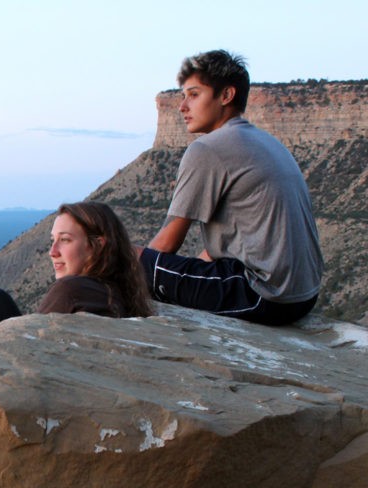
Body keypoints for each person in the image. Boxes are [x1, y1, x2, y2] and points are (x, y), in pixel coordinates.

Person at [139, 49, 324, 326]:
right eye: (182, 96)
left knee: (129, 256)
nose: (182, 107)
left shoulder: (206, 149)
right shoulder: (266, 142)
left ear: (226, 96)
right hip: (303, 297)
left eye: (194, 94)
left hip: (262, 296)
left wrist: (141, 274)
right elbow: (219, 250)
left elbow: (166, 244)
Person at [0, 201, 151, 348]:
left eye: (65, 240)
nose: (52, 252)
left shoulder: (72, 290)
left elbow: (34, 351)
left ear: (97, 246)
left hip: (29, 388)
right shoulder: (115, 286)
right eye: (52, 241)